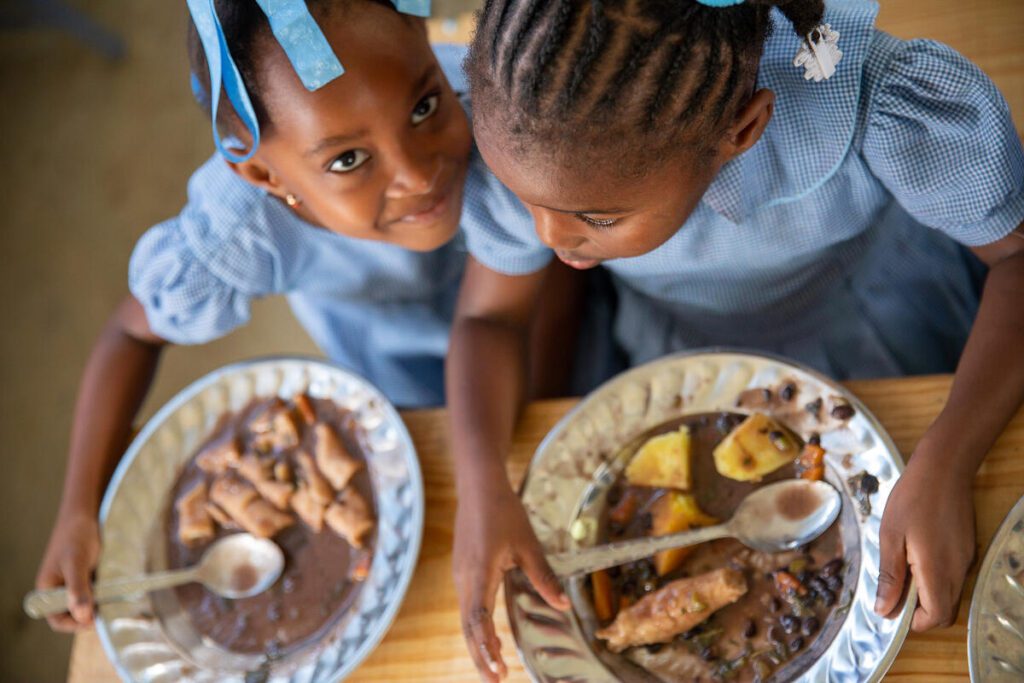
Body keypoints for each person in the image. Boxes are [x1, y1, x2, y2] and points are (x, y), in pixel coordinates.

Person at [447, 0, 1024, 679]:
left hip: (885, 343)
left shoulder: (879, 107)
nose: (549, 239)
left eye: (596, 217)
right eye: (523, 200)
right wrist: (480, 481)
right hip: (679, 353)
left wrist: (952, 459)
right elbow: (488, 320)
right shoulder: (541, 129)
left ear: (741, 128)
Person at [35, 0, 580, 634]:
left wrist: (506, 470)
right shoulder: (243, 229)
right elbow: (132, 330)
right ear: (265, 174)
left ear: (426, 44)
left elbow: (515, 312)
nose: (417, 172)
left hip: (542, 345)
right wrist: (78, 510)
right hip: (395, 382)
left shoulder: (502, 117)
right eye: (348, 160)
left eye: (425, 107)